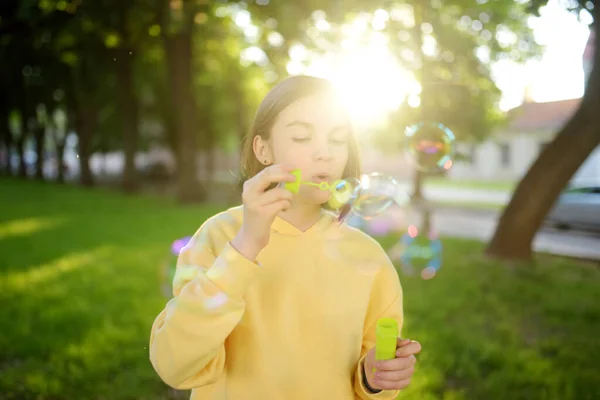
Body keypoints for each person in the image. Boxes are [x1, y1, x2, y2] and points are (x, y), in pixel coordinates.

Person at [149, 75, 422, 400]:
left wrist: (374, 377)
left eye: (338, 139)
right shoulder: (220, 236)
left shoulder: (369, 257)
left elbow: (370, 378)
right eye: (302, 137)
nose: (325, 153)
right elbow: (174, 364)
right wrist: (246, 245)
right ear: (263, 149)